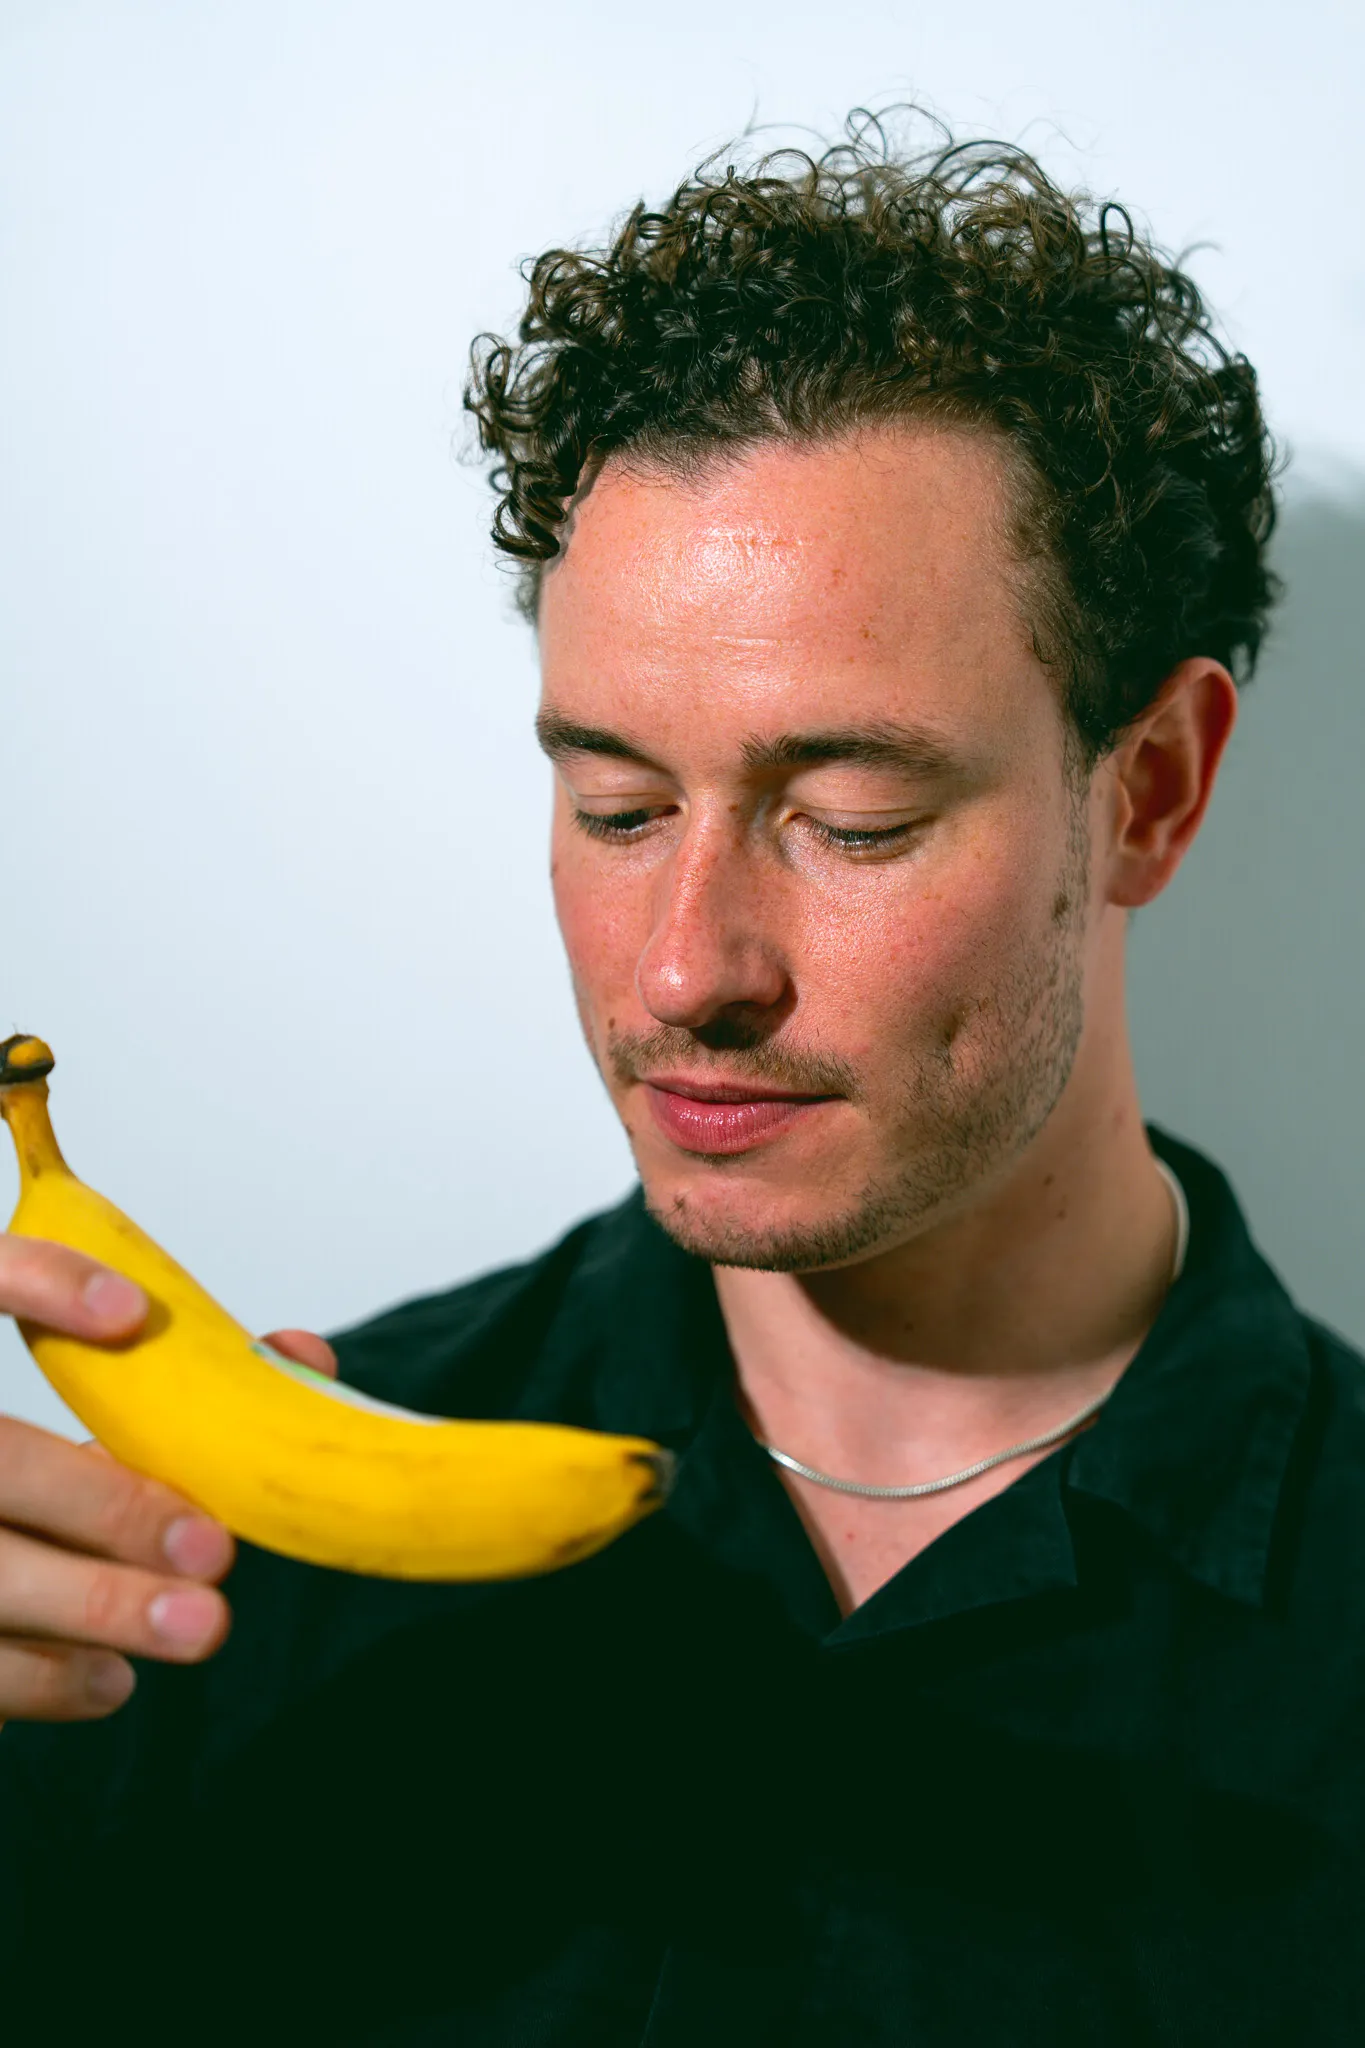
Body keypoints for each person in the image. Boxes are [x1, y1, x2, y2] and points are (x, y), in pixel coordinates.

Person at [2, 114, 1363, 2047]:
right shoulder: (230, 1576)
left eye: (859, 818)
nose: (682, 969)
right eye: (617, 804)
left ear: (1145, 791)